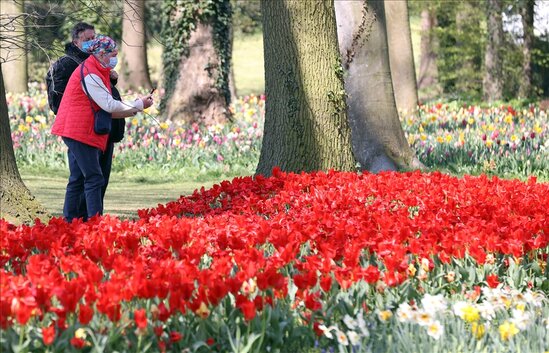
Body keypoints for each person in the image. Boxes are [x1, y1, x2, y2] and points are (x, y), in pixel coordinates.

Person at [51, 35, 154, 222]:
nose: (115, 59)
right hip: (79, 131)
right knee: (94, 177)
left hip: (76, 129)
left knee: (78, 179)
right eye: (113, 55)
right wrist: (139, 104)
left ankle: (70, 221)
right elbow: (109, 106)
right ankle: (94, 223)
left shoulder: (97, 70)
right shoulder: (90, 74)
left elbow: (110, 107)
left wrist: (137, 106)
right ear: (101, 54)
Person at [46, 23, 126, 220]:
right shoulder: (67, 64)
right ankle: (82, 219)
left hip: (102, 129)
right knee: (88, 177)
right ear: (76, 41)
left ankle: (79, 220)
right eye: (87, 39)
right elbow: (61, 100)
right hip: (82, 130)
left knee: (97, 177)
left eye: (94, 37)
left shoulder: (97, 63)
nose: (92, 41)